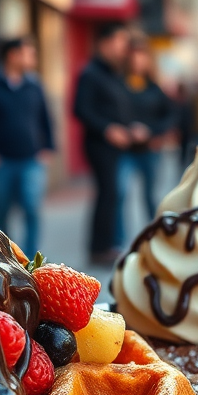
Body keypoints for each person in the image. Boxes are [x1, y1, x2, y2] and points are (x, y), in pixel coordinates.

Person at [0, 36, 54, 258]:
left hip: (31, 160)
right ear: (12, 55)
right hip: (1, 162)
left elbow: (45, 118)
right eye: (28, 53)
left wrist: (48, 147)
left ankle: (30, 259)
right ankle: (5, 258)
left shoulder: (34, 85)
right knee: (2, 211)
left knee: (32, 208)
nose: (32, 58)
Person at [72, 22, 135, 264]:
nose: (124, 47)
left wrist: (130, 127)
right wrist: (108, 129)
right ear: (105, 43)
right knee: (107, 194)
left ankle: (108, 244)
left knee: (113, 195)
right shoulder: (90, 73)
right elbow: (80, 109)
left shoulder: (114, 73)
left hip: (117, 145)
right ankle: (99, 249)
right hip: (100, 145)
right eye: (120, 41)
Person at [117, 32, 175, 245]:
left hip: (149, 150)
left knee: (150, 196)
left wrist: (153, 132)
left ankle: (155, 238)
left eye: (142, 55)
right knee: (120, 194)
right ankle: (119, 240)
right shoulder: (118, 85)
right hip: (124, 150)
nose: (137, 60)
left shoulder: (154, 87)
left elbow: (171, 114)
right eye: (133, 55)